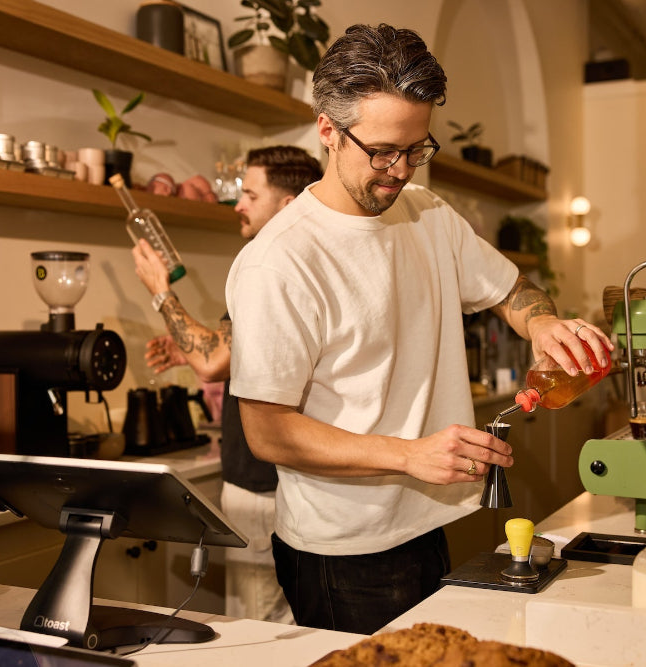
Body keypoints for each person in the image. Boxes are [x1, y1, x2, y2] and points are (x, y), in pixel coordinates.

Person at [225, 24, 614, 635]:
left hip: (428, 521)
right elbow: (267, 432)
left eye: (416, 149)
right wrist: (409, 455)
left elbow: (511, 289)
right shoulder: (281, 261)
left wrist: (541, 322)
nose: (400, 171)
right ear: (328, 130)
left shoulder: (429, 214)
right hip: (342, 552)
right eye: (382, 151)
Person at [131, 145, 323, 624]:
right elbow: (246, 351)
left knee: (261, 626)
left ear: (286, 205)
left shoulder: (268, 265)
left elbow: (214, 362)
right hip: (306, 481)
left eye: (249, 194)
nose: (237, 204)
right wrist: (191, 348)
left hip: (261, 486)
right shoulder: (315, 264)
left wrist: (160, 290)